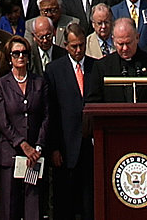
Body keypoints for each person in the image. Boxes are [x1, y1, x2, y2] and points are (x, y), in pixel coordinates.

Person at [46, 22, 100, 220]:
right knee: (64, 205)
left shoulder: (96, 67)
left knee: (90, 204)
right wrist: (54, 148)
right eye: (74, 46)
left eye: (81, 45)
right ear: (66, 45)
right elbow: (51, 112)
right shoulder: (54, 70)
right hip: (65, 148)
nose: (78, 50)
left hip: (91, 147)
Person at [0, 36, 49, 220]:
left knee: (33, 208)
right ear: (10, 58)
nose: (20, 57)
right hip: (11, 155)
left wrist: (37, 147)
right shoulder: (1, 85)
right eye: (16, 53)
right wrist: (23, 145)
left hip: (34, 157)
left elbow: (47, 116)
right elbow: (2, 121)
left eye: (24, 53)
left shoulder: (39, 83)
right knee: (10, 208)